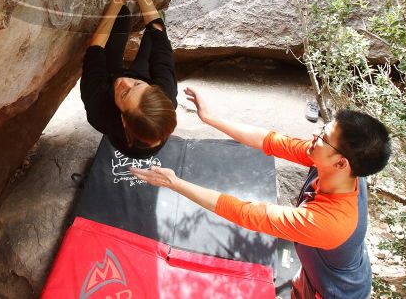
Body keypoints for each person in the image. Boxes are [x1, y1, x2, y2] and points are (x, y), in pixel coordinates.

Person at [131, 87, 391, 299]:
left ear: (341, 163)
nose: (315, 133)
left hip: (335, 292)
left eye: (324, 135)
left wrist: (175, 183)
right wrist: (210, 118)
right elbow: (270, 141)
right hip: (319, 271)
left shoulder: (328, 223)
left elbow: (247, 213)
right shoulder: (334, 164)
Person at [80, 0, 177, 158]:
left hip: (107, 83)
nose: (124, 81)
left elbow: (95, 49)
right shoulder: (165, 94)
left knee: (120, 15)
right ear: (154, 88)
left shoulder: (100, 109)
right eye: (137, 85)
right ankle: (134, 89)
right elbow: (158, 32)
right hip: (140, 77)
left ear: (123, 120)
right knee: (154, 34)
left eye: (125, 94)